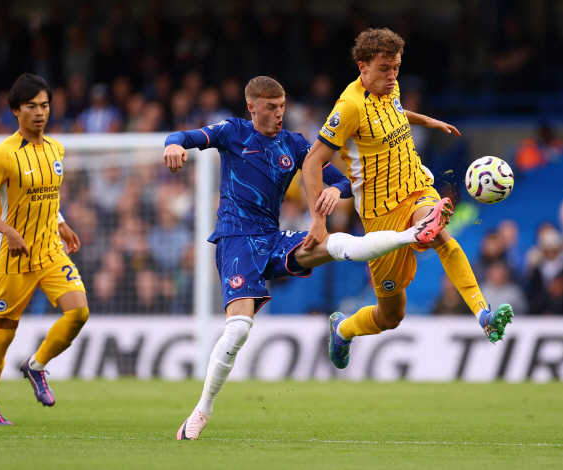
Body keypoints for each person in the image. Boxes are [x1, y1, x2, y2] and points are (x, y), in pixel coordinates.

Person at [163, 76, 442, 440]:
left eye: (282, 106)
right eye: (271, 108)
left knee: (336, 244)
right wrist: (172, 145)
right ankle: (202, 410)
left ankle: (412, 235)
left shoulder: (293, 143)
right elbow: (184, 137)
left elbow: (342, 181)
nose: (280, 114)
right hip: (237, 241)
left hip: (273, 238)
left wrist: (331, 194)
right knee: (238, 329)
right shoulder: (233, 132)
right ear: (252, 107)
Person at [300, 28, 514, 370]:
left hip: (415, 187)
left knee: (439, 234)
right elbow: (312, 162)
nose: (392, 76)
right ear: (362, 66)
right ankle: (342, 329)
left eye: (396, 67)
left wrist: (425, 120)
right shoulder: (349, 107)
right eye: (385, 68)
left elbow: (395, 111)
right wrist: (317, 219)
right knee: (390, 316)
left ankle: (482, 313)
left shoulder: (391, 87)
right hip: (380, 215)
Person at [0, 74, 89, 425]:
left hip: (50, 251)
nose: (40, 113)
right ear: (15, 111)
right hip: (13, 257)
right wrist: (8, 231)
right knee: (3, 336)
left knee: (78, 313)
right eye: (31, 107)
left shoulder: (56, 149)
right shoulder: (3, 154)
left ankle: (36, 366)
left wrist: (62, 221)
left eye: (45, 105)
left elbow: (46, 197)